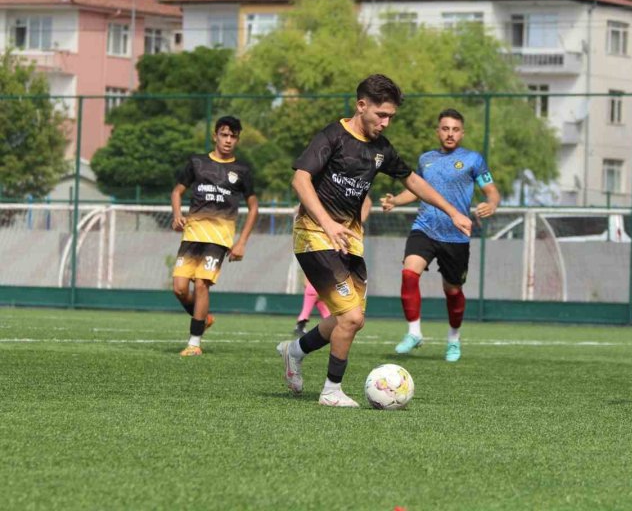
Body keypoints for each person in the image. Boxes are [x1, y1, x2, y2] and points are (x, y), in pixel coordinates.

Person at [277, 74, 472, 408]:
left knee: (349, 320)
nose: (385, 123)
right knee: (351, 318)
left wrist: (453, 211)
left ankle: (294, 351)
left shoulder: (381, 149)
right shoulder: (333, 136)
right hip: (314, 234)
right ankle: (331, 391)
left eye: (391, 117)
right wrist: (327, 223)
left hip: (349, 240)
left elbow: (413, 181)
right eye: (380, 115)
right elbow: (300, 179)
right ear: (361, 105)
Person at [381, 108, 500, 362]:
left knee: (453, 291)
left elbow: (491, 190)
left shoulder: (473, 159)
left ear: (462, 133)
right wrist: (395, 201)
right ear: (438, 131)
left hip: (456, 235)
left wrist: (492, 203)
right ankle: (414, 332)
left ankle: (454, 339)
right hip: (425, 227)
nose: (450, 134)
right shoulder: (426, 159)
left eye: (455, 129)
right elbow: (417, 190)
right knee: (409, 273)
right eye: (445, 128)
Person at [171, 115, 259, 357]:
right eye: (224, 135)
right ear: (215, 136)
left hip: (219, 238)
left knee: (202, 284)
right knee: (179, 289)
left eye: (233, 136)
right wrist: (177, 215)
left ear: (238, 139)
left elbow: (253, 207)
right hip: (192, 235)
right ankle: (204, 318)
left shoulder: (242, 170)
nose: (228, 140)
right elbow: (177, 192)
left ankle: (194, 343)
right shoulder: (197, 162)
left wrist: (241, 242)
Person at [293, 196, 372, 336]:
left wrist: (358, 223)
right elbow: (302, 188)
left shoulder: (352, 189)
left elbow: (367, 201)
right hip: (319, 237)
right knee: (317, 289)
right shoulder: (319, 192)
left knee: (351, 315)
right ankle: (303, 321)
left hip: (345, 239)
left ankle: (305, 323)